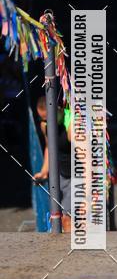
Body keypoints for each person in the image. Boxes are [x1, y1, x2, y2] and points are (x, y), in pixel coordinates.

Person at [33, 96, 72, 233]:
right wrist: (44, 171)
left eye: (47, 118)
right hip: (60, 174)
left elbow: (85, 154)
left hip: (77, 175)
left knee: (67, 219)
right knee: (56, 218)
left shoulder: (71, 124)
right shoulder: (45, 126)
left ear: (58, 109)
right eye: (42, 119)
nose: (45, 122)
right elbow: (49, 147)